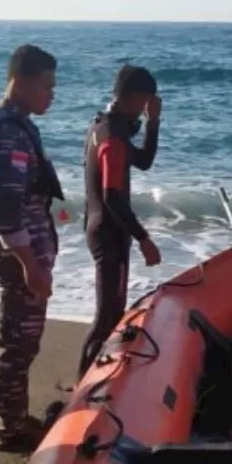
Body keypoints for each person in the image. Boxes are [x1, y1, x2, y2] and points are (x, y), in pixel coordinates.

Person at [0, 45, 64, 453]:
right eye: (46, 86)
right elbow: (6, 211)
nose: (52, 95)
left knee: (22, 343)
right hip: (18, 260)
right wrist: (31, 266)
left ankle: (14, 417)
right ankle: (11, 428)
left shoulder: (16, 124)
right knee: (16, 345)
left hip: (25, 255)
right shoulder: (7, 134)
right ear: (21, 83)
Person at [77, 65, 163, 380]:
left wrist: (154, 122)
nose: (146, 108)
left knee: (112, 313)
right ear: (137, 97)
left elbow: (143, 161)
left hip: (103, 228)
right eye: (146, 103)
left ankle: (91, 382)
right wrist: (144, 239)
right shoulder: (112, 138)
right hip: (109, 233)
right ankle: (82, 386)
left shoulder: (105, 125)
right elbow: (114, 199)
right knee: (108, 318)